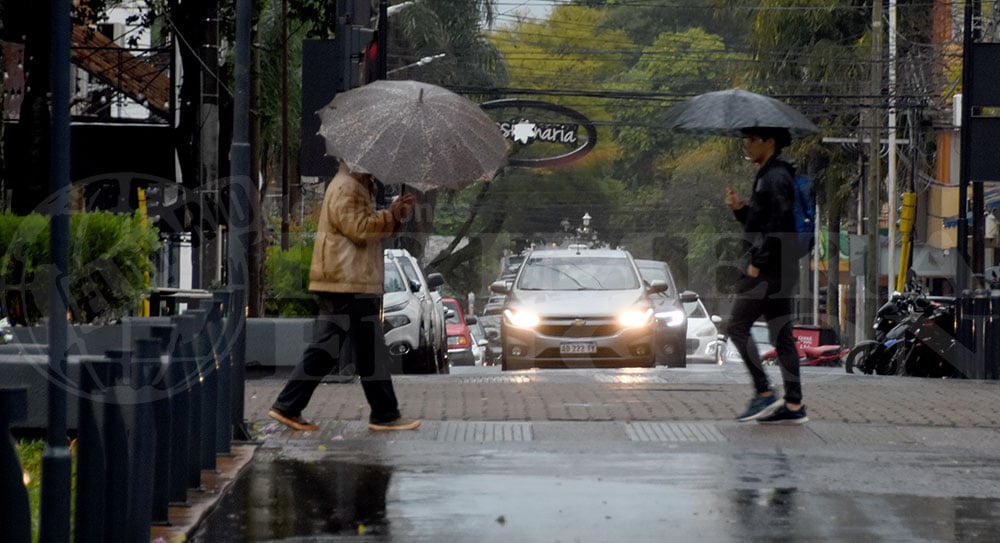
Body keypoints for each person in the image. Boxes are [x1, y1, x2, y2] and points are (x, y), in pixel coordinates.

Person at [268, 160, 420, 432]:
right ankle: (383, 414)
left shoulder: (356, 187)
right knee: (356, 350)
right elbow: (360, 229)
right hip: (345, 281)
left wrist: (395, 216)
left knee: (354, 350)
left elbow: (367, 230)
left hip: (349, 281)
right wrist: (391, 215)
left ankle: (290, 405)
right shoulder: (347, 188)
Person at [724, 126, 808, 425]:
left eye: (752, 140)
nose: (746, 145)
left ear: (769, 142)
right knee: (782, 334)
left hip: (769, 268)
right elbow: (760, 222)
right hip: (781, 267)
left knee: (736, 327)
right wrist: (740, 209)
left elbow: (779, 225)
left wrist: (758, 261)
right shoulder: (771, 174)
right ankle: (795, 404)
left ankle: (763, 392)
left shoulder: (774, 177)